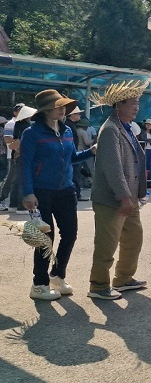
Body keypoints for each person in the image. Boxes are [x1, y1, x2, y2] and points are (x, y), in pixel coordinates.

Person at [20, 90, 96, 300]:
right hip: (41, 191)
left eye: (65, 106)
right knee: (45, 238)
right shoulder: (32, 132)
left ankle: (57, 275)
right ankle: (39, 284)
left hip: (65, 190)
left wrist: (90, 152)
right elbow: (24, 164)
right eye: (59, 106)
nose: (64, 109)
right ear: (46, 110)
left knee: (70, 234)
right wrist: (28, 193)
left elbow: (72, 158)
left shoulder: (68, 131)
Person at [87, 80, 150, 300]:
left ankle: (123, 279)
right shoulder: (111, 129)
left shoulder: (126, 127)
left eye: (137, 103)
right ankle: (98, 286)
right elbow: (112, 167)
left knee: (134, 238)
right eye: (132, 103)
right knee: (106, 244)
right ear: (118, 105)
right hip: (113, 199)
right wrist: (124, 196)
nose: (136, 107)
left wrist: (136, 194)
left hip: (129, 198)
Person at [0, 103, 24, 212]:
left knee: (14, 180)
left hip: (15, 156)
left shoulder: (19, 123)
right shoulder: (11, 124)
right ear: (15, 112)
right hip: (12, 156)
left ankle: (9, 202)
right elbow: (7, 139)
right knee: (9, 179)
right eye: (20, 110)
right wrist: (19, 143)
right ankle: (1, 198)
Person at [65, 107, 90, 201]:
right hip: (73, 154)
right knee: (75, 175)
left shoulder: (71, 125)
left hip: (73, 153)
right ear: (72, 115)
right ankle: (76, 194)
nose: (80, 115)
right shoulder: (68, 126)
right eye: (78, 114)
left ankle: (76, 193)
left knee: (76, 174)